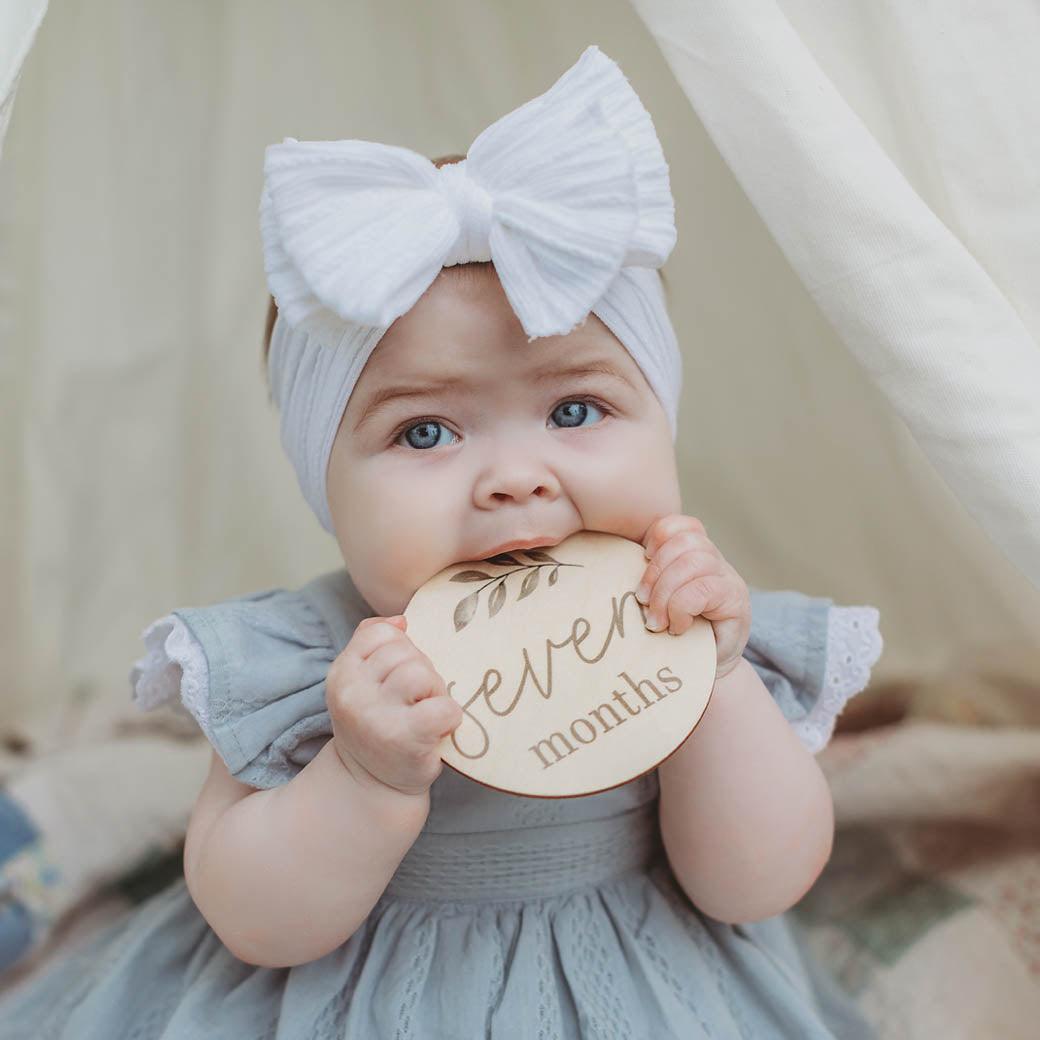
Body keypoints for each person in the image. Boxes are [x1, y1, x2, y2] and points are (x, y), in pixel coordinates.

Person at [0, 44, 883, 1038]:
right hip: (360, 993)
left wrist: (714, 685)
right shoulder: (309, 662)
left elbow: (753, 881)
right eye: (424, 431)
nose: (515, 475)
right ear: (323, 483)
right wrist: (361, 779)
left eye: (577, 408)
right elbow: (254, 920)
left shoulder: (683, 617)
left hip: (637, 980)